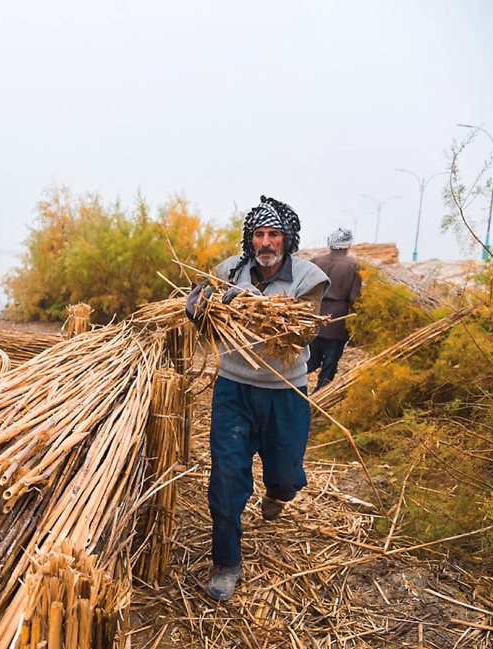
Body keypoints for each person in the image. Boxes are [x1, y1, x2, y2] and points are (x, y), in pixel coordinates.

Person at [184, 195, 330, 602]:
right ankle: (226, 563)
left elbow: (303, 332)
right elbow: (207, 320)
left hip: (285, 392)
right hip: (234, 388)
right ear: (251, 239)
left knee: (285, 477)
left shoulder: (309, 278)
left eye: (274, 235)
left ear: (288, 239)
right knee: (227, 477)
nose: (266, 243)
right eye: (259, 235)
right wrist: (199, 308)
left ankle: (277, 494)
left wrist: (249, 305)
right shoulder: (229, 270)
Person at [307, 228, 362, 392]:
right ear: (347, 245)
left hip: (313, 317)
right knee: (329, 365)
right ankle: (319, 397)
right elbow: (354, 298)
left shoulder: (315, 261)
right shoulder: (353, 266)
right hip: (337, 321)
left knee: (308, 361)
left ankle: (295, 390)